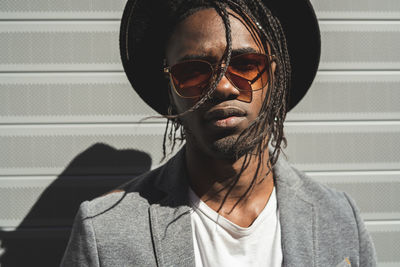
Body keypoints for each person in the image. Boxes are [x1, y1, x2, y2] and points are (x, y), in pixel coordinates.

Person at [61, 0, 377, 266]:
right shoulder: (105, 232)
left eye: (246, 64)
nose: (223, 86)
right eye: (193, 71)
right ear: (170, 91)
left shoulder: (338, 217)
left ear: (274, 79)